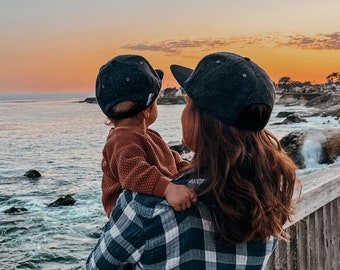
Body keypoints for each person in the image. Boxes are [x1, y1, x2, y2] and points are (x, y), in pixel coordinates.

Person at [86, 52, 300, 269]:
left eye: (187, 103)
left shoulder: (148, 208)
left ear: (203, 120)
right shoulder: (269, 195)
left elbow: (97, 266)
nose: (183, 112)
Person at [95, 54, 196, 217]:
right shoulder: (120, 141)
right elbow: (133, 173)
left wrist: (193, 170)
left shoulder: (150, 135)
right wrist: (168, 188)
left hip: (153, 206)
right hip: (130, 218)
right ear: (147, 110)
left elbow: (173, 161)